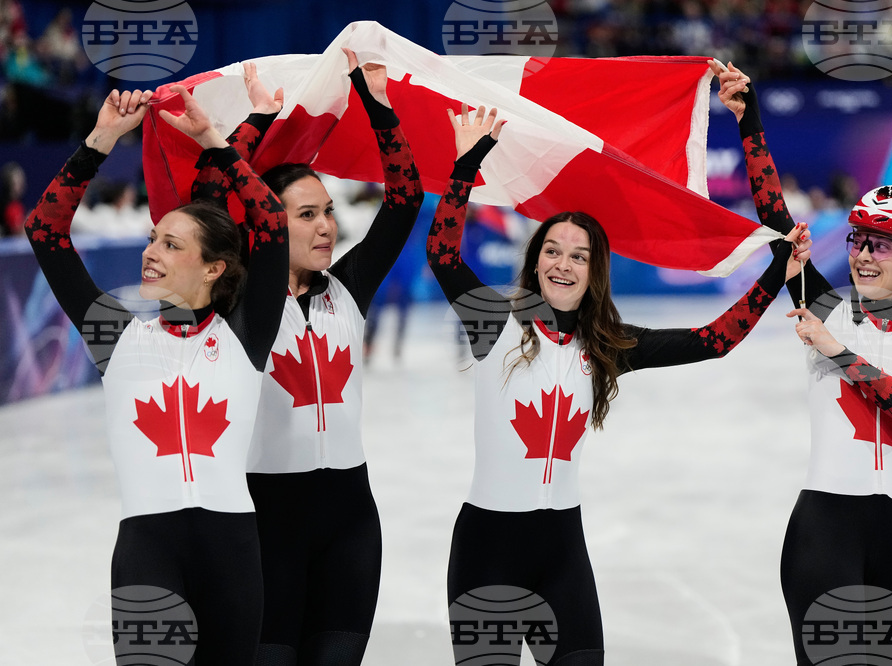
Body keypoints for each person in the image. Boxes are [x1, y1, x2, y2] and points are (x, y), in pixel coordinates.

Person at [427, 104, 810, 665]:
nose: (563, 264)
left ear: (594, 271)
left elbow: (714, 340)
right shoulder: (496, 324)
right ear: (535, 262)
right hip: (488, 552)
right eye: (552, 251)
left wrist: (779, 271)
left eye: (578, 256)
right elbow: (442, 253)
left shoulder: (607, 345)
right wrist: (468, 165)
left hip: (562, 553)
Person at [712, 60, 892, 665]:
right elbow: (776, 219)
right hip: (824, 529)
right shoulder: (827, 311)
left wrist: (840, 355)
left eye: (880, 244)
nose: (862, 255)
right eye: (857, 240)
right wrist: (748, 118)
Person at [24, 82, 288, 664]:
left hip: (234, 554)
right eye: (152, 240)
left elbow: (270, 224)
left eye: (170, 244)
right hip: (150, 552)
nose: (152, 253)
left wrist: (213, 140)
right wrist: (101, 141)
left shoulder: (244, 336)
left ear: (215, 267)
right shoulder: (116, 337)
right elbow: (45, 231)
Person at [209, 49, 422, 665]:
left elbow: (403, 200)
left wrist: (378, 106)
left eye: (329, 211)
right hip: (266, 522)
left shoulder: (349, 289)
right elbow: (213, 199)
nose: (327, 225)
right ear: (270, 225)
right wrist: (256, 121)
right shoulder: (236, 298)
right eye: (308, 215)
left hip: (351, 522)